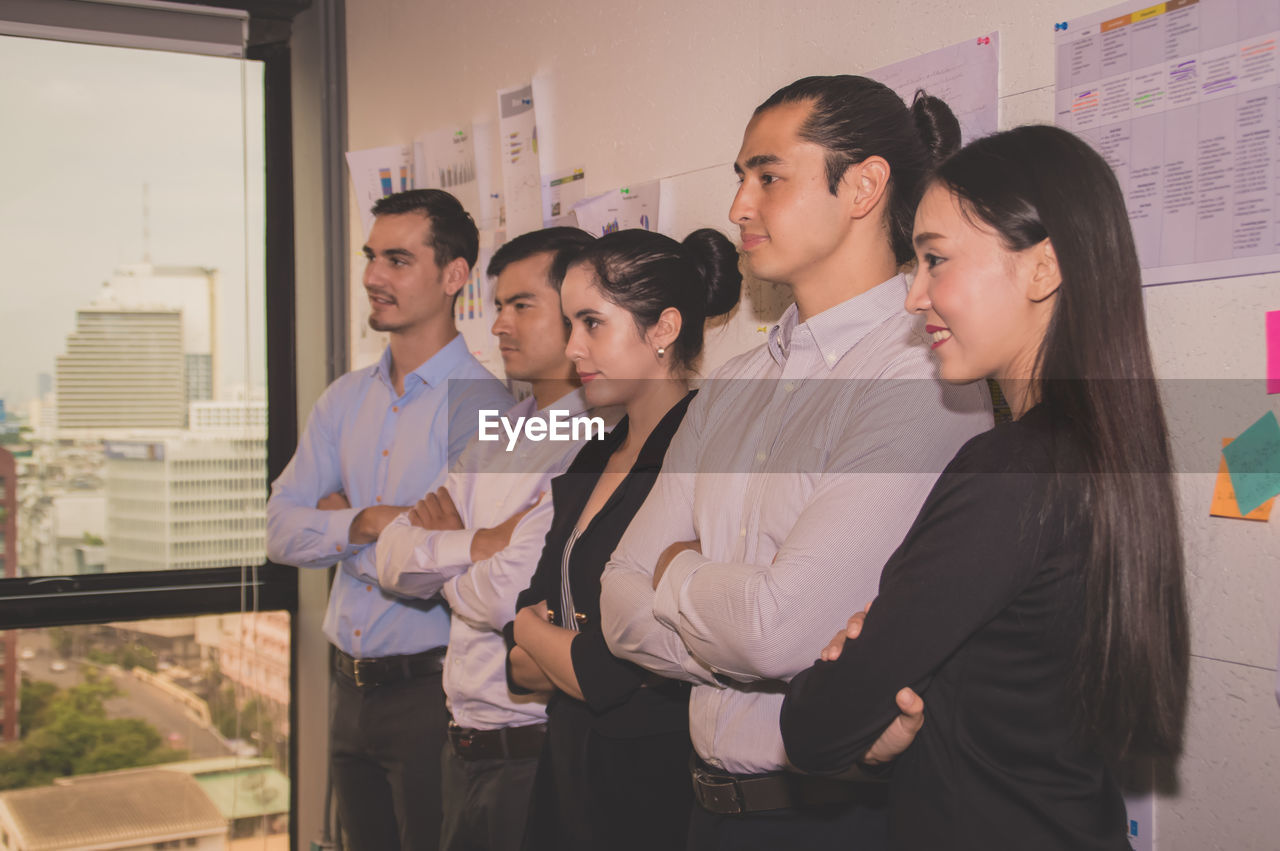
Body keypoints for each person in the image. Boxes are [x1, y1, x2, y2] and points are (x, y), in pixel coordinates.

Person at [599, 76, 993, 850]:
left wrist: (675, 574)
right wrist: (731, 627)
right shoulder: (736, 383)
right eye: (740, 179)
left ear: (864, 186)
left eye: (769, 176)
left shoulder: (919, 379)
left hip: (836, 816)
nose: (741, 206)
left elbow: (780, 632)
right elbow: (618, 605)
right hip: (706, 810)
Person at [780, 124, 1191, 850]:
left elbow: (816, 726)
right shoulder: (1103, 455)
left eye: (935, 259)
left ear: (1043, 269)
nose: (913, 296)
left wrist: (847, 673)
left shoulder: (1011, 471)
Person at [266, 189, 513, 851]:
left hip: (429, 694)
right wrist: (372, 522)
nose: (374, 276)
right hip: (345, 690)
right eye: (373, 257)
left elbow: (451, 566)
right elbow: (280, 530)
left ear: (453, 276)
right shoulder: (344, 399)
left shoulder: (485, 407)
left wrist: (343, 525)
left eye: (398, 259)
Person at [504, 228, 741, 851]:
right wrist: (547, 643)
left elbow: (606, 671)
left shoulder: (703, 453)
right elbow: (524, 666)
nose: (573, 346)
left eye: (591, 323)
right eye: (567, 323)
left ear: (663, 329)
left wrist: (533, 630)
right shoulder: (592, 455)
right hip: (566, 775)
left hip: (650, 791)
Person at [370, 226, 601, 851]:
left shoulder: (595, 440)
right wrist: (477, 544)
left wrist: (449, 554)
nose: (499, 326)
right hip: (462, 748)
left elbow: (510, 596)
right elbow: (391, 555)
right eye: (498, 306)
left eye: (521, 305)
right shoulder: (501, 430)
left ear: (580, 312)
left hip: (536, 755)